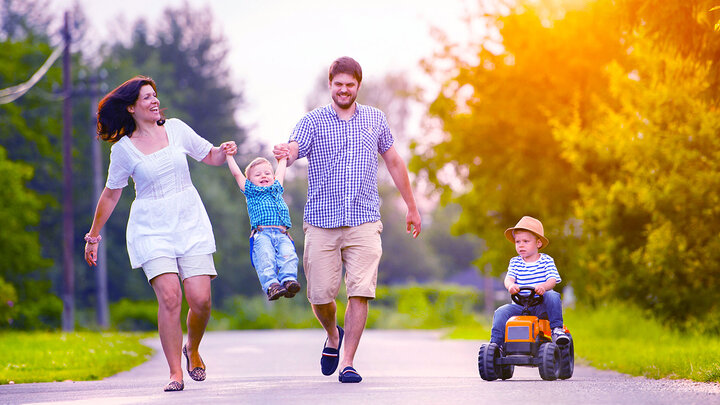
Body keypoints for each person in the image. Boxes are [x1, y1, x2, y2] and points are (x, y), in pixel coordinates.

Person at [83, 76, 237, 392]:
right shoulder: (123, 150)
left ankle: (192, 348)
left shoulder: (177, 129)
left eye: (155, 95)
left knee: (201, 300)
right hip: (151, 227)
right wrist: (93, 236)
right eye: (147, 98)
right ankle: (175, 373)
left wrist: (223, 150)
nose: (155, 101)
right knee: (170, 297)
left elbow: (210, 156)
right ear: (131, 107)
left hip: (189, 220)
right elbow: (111, 195)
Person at [273, 56, 422, 383]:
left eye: (349, 85)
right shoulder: (312, 121)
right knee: (320, 295)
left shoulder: (375, 119)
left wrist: (411, 206)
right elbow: (296, 149)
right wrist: (287, 152)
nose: (343, 90)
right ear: (330, 85)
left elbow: (395, 162)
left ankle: (349, 363)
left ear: (358, 86)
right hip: (321, 221)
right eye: (338, 84)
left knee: (360, 291)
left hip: (364, 219)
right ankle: (332, 336)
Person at [225, 155, 301, 300]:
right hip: (262, 234)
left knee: (289, 256)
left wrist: (283, 158)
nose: (263, 176)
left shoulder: (276, 188)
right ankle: (272, 285)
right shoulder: (251, 191)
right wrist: (229, 156)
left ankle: (289, 281)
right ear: (250, 180)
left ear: (272, 177)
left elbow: (281, 172)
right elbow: (236, 174)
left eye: (267, 173)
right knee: (265, 259)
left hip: (282, 234)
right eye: (258, 174)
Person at [489, 216, 570, 348]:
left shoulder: (546, 260)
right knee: (501, 311)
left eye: (526, 241)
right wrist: (511, 286)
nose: (521, 245)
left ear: (538, 243)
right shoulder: (515, 262)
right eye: (517, 241)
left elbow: (552, 280)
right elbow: (508, 278)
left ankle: (556, 330)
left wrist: (544, 286)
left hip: (541, 306)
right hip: (520, 306)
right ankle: (496, 345)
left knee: (553, 295)